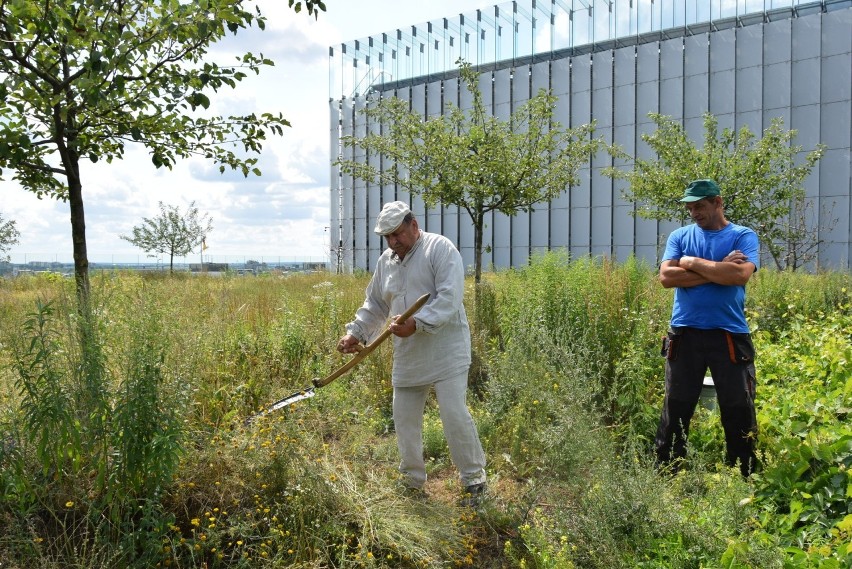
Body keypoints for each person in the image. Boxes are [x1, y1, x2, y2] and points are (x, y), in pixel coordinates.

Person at [337, 201, 487, 504]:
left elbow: (450, 297)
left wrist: (418, 322)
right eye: (388, 237)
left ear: (414, 226)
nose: (394, 242)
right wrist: (356, 333)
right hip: (408, 352)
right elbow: (376, 304)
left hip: (447, 348)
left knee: (453, 413)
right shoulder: (387, 261)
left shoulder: (440, 250)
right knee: (403, 416)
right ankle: (412, 481)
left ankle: (475, 481)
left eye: (398, 234)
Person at [655, 179, 760, 477]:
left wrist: (689, 263)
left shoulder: (743, 236)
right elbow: (666, 279)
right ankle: (667, 472)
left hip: (729, 333)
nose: (694, 212)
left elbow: (739, 274)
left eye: (699, 205)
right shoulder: (679, 236)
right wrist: (716, 268)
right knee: (677, 404)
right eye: (689, 207)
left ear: (717, 202)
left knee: (738, 404)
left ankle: (744, 473)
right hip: (684, 333)